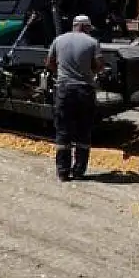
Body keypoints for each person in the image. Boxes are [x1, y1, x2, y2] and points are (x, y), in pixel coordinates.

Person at [45, 14, 103, 181]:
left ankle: (63, 172)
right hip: (85, 91)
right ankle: (79, 171)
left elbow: (49, 62)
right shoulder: (92, 42)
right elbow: (99, 65)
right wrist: (90, 71)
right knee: (84, 131)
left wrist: (61, 73)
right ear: (85, 26)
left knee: (63, 131)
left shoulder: (59, 40)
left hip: (64, 90)